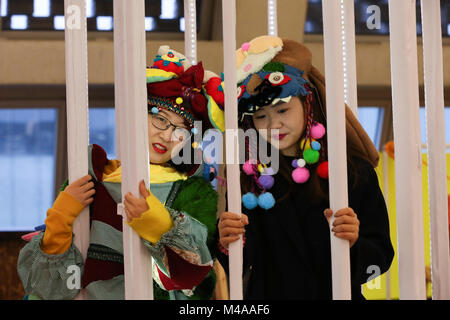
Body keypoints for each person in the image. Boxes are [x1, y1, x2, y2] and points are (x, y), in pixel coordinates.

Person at [17, 46, 226, 300]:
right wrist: (60, 219)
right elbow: (48, 287)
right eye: (160, 118)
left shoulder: (191, 191)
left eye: (181, 130)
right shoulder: (92, 174)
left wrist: (159, 225)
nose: (168, 135)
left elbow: (192, 282)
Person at [216, 35, 395, 300]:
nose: (272, 125)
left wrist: (355, 242)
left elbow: (378, 262)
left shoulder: (352, 170)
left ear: (307, 104)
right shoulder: (250, 176)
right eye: (260, 116)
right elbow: (240, 266)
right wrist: (227, 241)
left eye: (282, 111)